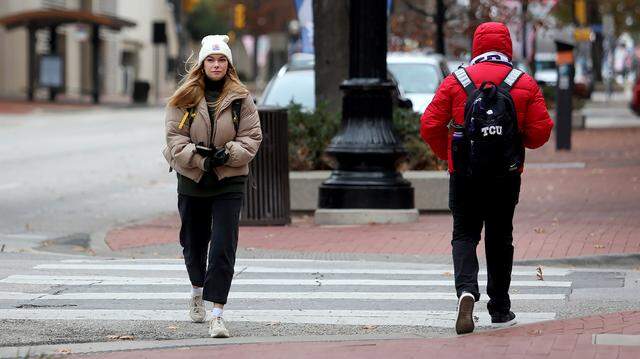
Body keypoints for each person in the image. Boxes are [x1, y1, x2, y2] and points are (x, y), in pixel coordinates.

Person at [420, 22, 553, 335]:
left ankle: (466, 291)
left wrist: (449, 155)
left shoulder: (457, 81)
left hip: (464, 174)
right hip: (505, 176)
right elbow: (541, 131)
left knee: (464, 233)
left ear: (475, 47)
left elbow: (429, 124)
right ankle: (500, 308)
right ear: (507, 47)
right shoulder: (523, 82)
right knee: (499, 237)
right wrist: (517, 141)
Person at [162, 34, 262, 338]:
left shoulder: (241, 98)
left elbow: (252, 137)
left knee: (222, 247)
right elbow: (174, 139)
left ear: (229, 65)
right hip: (193, 178)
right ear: (202, 63)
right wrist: (200, 159)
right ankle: (197, 288)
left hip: (229, 179)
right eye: (211, 59)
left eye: (221, 60)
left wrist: (227, 154)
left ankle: (218, 313)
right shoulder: (184, 98)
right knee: (193, 243)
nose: (216, 64)